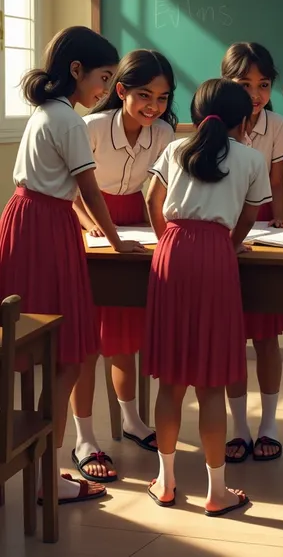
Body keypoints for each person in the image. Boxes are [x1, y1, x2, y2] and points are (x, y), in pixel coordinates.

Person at [0, 26, 145, 505]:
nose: (105, 90)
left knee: (47, 351)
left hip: (31, 221)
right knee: (66, 355)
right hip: (43, 230)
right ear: (76, 71)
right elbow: (88, 189)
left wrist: (96, 230)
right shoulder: (67, 120)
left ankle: (48, 465)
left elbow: (67, 191)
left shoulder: (48, 113)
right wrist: (117, 240)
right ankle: (48, 473)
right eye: (103, 78)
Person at [144, 78, 272, 516]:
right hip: (217, 255)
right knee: (211, 380)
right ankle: (217, 492)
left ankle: (165, 482)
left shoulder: (175, 149)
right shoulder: (252, 158)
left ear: (196, 117)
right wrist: (229, 245)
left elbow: (152, 200)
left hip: (172, 253)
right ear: (245, 120)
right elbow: (251, 215)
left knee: (171, 380)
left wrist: (168, 241)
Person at [70, 49, 177, 482]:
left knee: (125, 333)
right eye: (144, 96)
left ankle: (132, 422)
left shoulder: (166, 134)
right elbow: (73, 190)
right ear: (120, 92)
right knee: (86, 341)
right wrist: (94, 226)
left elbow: (160, 192)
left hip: (136, 227)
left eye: (163, 97)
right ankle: (83, 437)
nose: (154, 106)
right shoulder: (91, 126)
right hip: (90, 229)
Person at [221, 42, 283, 463]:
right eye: (244, 84)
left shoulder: (276, 124)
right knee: (232, 334)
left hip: (263, 223)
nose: (255, 94)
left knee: (266, 333)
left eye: (263, 85)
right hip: (225, 225)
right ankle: (239, 426)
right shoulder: (214, 123)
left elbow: (278, 182)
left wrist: (280, 224)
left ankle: (269, 423)